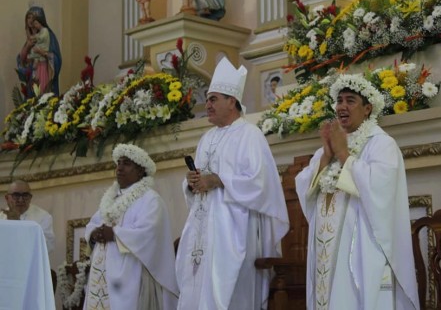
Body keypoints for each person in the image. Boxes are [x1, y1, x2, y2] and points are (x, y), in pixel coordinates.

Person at [295, 72, 419, 309]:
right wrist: (326, 158)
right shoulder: (331, 145)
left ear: (368, 108)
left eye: (350, 100)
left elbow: (380, 188)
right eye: (339, 100)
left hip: (362, 246)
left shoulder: (381, 144)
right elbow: (304, 184)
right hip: (326, 247)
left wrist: (344, 156)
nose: (342, 106)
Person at [176, 57, 289, 309]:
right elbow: (199, 184)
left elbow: (261, 184)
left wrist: (218, 180)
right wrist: (192, 182)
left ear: (232, 101)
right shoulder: (206, 138)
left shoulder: (250, 135)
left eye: (213, 98)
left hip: (237, 229)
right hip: (204, 230)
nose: (208, 104)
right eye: (207, 99)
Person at [83, 143, 178, 309]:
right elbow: (93, 222)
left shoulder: (150, 199)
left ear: (140, 171)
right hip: (103, 271)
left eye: (126, 164)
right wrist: (94, 233)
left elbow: (149, 234)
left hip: (131, 272)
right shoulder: (111, 198)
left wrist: (114, 234)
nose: (119, 168)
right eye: (118, 163)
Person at [16, 6, 62, 97]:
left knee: (43, 96)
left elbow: (56, 59)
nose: (30, 20)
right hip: (33, 75)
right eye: (28, 17)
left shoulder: (47, 35)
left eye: (33, 18)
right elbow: (22, 61)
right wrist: (27, 47)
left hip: (44, 71)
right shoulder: (30, 39)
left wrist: (42, 53)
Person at [1, 179, 55, 254]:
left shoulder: (43, 217)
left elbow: (47, 247)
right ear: (7, 198)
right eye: (16, 195)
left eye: (25, 195)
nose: (20, 200)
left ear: (30, 198)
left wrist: (17, 224)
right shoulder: (1, 217)